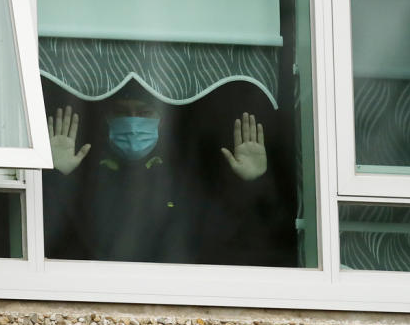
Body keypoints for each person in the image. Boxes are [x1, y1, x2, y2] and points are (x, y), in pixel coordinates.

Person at [42, 85, 275, 264]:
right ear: (106, 120)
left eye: (144, 113)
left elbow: (227, 236)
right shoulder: (87, 174)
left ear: (162, 121)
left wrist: (250, 184)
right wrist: (58, 176)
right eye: (122, 112)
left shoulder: (186, 175)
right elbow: (53, 237)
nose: (133, 123)